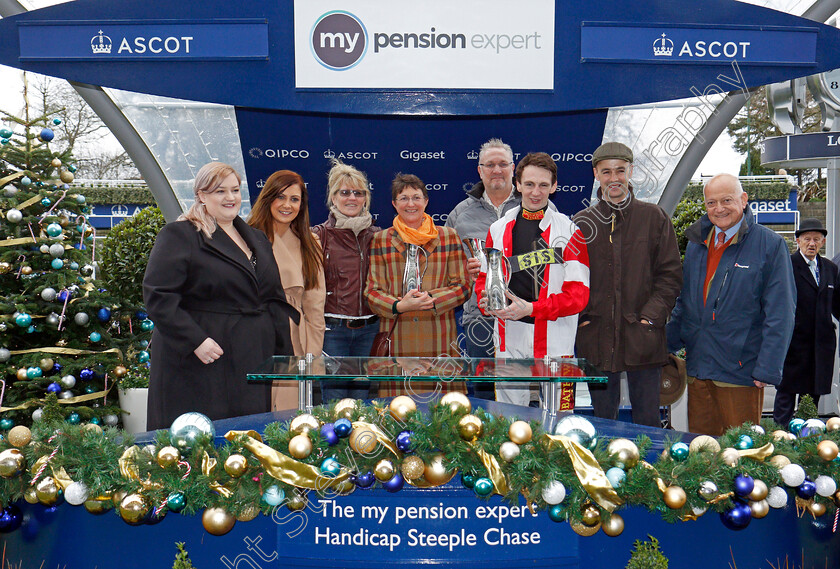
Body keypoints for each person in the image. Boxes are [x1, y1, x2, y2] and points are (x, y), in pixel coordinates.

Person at [143, 162, 296, 429]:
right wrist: (195, 341)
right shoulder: (180, 235)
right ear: (201, 195)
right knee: (202, 438)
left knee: (247, 436)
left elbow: (272, 296)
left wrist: (283, 355)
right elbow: (159, 295)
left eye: (235, 190)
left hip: (252, 356)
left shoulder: (257, 238)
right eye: (219, 191)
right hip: (202, 359)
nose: (230, 198)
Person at [666, 173, 796, 436]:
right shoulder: (696, 245)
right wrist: (659, 348)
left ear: (744, 200)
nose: (719, 208)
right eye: (711, 203)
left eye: (727, 200)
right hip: (699, 369)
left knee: (742, 456)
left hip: (740, 373)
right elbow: (686, 304)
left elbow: (781, 313)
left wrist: (768, 368)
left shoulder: (770, 245)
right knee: (703, 454)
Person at [573, 142, 682, 427]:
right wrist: (583, 319)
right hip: (596, 338)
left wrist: (650, 318)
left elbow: (670, 275)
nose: (614, 178)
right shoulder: (580, 223)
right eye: (606, 171)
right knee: (601, 419)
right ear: (596, 174)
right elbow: (570, 279)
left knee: (647, 419)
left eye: (620, 170)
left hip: (643, 338)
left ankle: (650, 469)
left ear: (631, 172)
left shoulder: (654, 218)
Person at [475, 152, 590, 408]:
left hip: (556, 335)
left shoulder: (570, 231)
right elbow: (485, 281)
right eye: (529, 184)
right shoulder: (498, 229)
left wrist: (533, 309)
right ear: (517, 184)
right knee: (509, 418)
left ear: (554, 186)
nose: (535, 192)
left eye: (543, 185)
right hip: (509, 334)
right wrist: (488, 302)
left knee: (560, 417)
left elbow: (579, 296)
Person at [364, 173, 470, 397]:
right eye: (403, 198)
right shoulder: (381, 240)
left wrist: (429, 300)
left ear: (426, 201)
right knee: (397, 411)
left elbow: (462, 286)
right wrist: (399, 306)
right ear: (394, 204)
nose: (410, 204)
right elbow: (372, 292)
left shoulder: (449, 237)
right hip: (398, 342)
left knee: (446, 413)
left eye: (416, 197)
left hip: (441, 341)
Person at [446, 138, 522, 400]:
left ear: (513, 168)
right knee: (485, 394)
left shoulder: (536, 206)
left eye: (502, 164)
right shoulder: (460, 214)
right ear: (480, 170)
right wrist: (464, 271)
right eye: (490, 165)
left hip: (525, 316)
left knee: (524, 392)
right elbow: (446, 266)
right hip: (480, 318)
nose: (496, 170)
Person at [249, 170, 325, 411]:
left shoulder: (310, 242)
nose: (287, 205)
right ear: (268, 197)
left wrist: (311, 355)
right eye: (281, 197)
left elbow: (315, 304)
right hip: (253, 333)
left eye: (295, 199)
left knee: (287, 415)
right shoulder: (245, 236)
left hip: (293, 337)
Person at [312, 160, 381, 402]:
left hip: (370, 330)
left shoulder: (378, 236)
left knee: (363, 398)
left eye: (358, 193)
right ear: (333, 197)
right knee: (335, 398)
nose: (352, 198)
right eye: (344, 192)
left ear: (366, 198)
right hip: (333, 331)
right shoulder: (318, 236)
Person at [775, 218, 840, 425]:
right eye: (807, 239)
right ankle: (780, 437)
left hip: (821, 344)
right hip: (793, 343)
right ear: (798, 241)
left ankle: (806, 441)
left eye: (817, 239)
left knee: (812, 398)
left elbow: (836, 303)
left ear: (822, 242)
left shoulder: (830, 268)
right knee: (786, 394)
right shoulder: (786, 265)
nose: (812, 243)